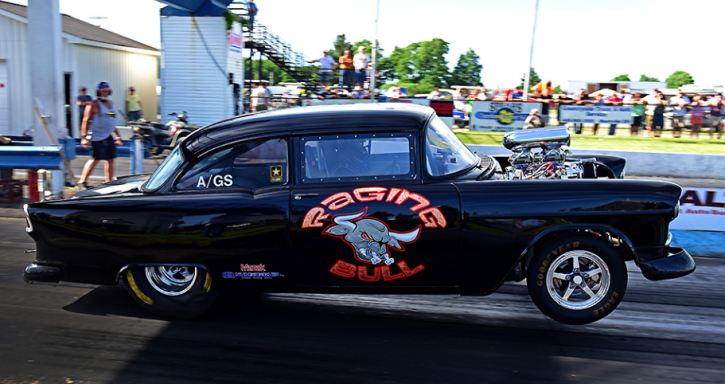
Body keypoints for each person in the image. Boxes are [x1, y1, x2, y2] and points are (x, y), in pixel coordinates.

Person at [78, 82, 123, 188]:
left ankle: (109, 182)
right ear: (98, 92)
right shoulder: (94, 104)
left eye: (106, 91)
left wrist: (118, 136)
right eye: (103, 91)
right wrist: (83, 138)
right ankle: (82, 181)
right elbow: (85, 121)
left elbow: (111, 121)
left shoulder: (111, 104)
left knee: (110, 160)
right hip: (97, 137)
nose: (105, 93)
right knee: (95, 159)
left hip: (108, 136)